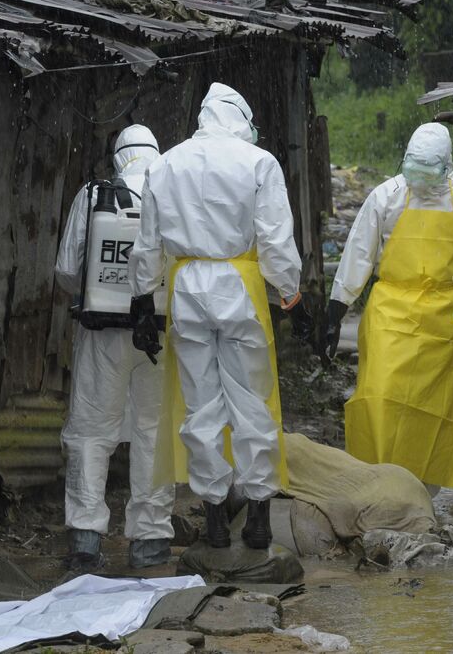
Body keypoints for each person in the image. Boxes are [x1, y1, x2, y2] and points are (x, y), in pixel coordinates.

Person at [129, 82, 314, 550]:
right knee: (252, 401)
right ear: (241, 119)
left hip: (186, 287)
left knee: (201, 405)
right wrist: (292, 294)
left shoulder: (164, 163)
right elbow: (274, 239)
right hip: (239, 286)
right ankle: (257, 517)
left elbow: (148, 242)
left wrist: (142, 300)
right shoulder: (258, 162)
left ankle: (213, 517)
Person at [324, 123, 453, 496]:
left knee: (429, 411)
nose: (422, 180)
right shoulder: (386, 196)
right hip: (389, 312)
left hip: (441, 317)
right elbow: (358, 255)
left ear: (447, 165)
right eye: (416, 171)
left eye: (431, 172)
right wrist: (335, 311)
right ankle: (376, 487)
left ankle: (420, 496)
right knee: (379, 399)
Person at [55, 124, 174, 570]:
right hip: (160, 332)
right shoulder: (174, 193)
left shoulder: (93, 194)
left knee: (91, 429)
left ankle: (86, 539)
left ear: (118, 157)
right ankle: (150, 541)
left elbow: (68, 269)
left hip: (101, 332)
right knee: (153, 431)